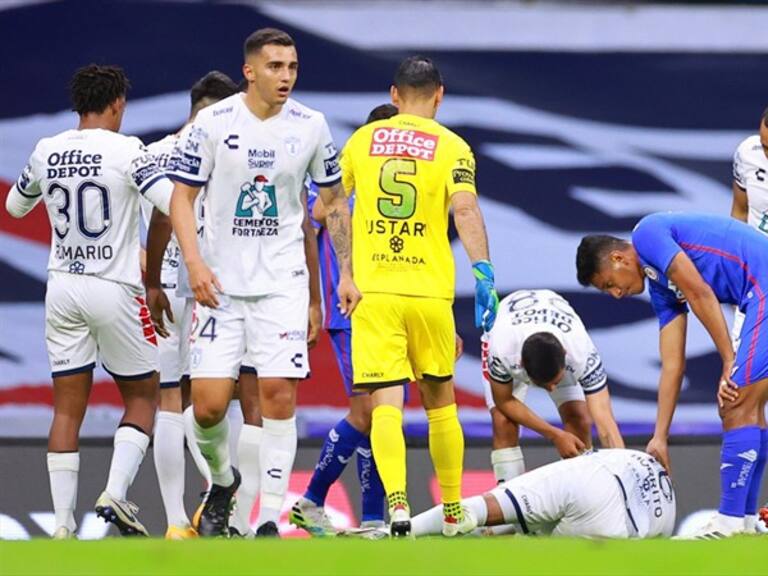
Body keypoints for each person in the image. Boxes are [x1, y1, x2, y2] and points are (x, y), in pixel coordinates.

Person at [168, 27, 358, 538]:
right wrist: (194, 264)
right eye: (275, 66)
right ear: (249, 71)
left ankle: (270, 516)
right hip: (220, 286)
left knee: (277, 395)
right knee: (207, 408)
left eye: (292, 67)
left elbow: (333, 202)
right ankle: (223, 481)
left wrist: (345, 274)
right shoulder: (213, 123)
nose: (286, 76)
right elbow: (181, 197)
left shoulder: (311, 125)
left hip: (282, 283)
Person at [4, 64, 173, 538]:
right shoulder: (129, 150)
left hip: (62, 287)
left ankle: (62, 526)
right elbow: (169, 202)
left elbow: (15, 206)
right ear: (118, 103)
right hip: (114, 285)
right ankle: (115, 492)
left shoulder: (47, 149)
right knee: (144, 394)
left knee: (66, 409)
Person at [340, 56, 498, 537]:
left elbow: (332, 206)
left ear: (394, 95)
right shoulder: (452, 146)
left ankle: (398, 507)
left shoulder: (362, 140)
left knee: (386, 401)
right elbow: (465, 209)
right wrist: (484, 272)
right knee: (440, 401)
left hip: (375, 290)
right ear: (439, 95)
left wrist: (345, 271)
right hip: (429, 291)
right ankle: (451, 510)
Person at [576, 212, 768, 538]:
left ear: (619, 258)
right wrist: (659, 436)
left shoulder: (647, 234)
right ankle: (746, 521)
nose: (616, 294)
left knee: (736, 402)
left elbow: (700, 293)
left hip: (762, 289)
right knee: (748, 408)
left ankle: (729, 520)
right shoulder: (661, 288)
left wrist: (728, 361)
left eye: (609, 284)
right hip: (757, 295)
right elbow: (673, 365)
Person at [290, 104, 398, 537]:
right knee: (367, 412)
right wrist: (312, 304)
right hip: (350, 313)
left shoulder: (395, 193)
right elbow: (312, 218)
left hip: (388, 314)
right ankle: (312, 499)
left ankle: (371, 519)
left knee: (380, 415)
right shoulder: (341, 185)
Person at [141, 71, 238, 539]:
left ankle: (176, 521)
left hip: (162, 286)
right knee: (216, 398)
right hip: (209, 286)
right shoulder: (225, 150)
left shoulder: (150, 155)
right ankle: (224, 498)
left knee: (169, 400)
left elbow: (141, 224)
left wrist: (149, 280)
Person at [482, 289, 624, 484]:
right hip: (509, 321)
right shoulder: (502, 350)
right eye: (543, 384)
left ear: (564, 355)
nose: (551, 389)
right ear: (521, 364)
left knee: (579, 418)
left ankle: (580, 493)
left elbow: (606, 422)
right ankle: (507, 495)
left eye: (555, 382)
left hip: (554, 315)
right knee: (503, 420)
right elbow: (504, 401)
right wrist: (555, 435)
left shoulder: (581, 353)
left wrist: (625, 473)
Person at [411, 449, 676, 539]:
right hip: (646, 522)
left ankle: (401, 530)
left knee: (476, 511)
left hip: (590, 483)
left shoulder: (575, 473)